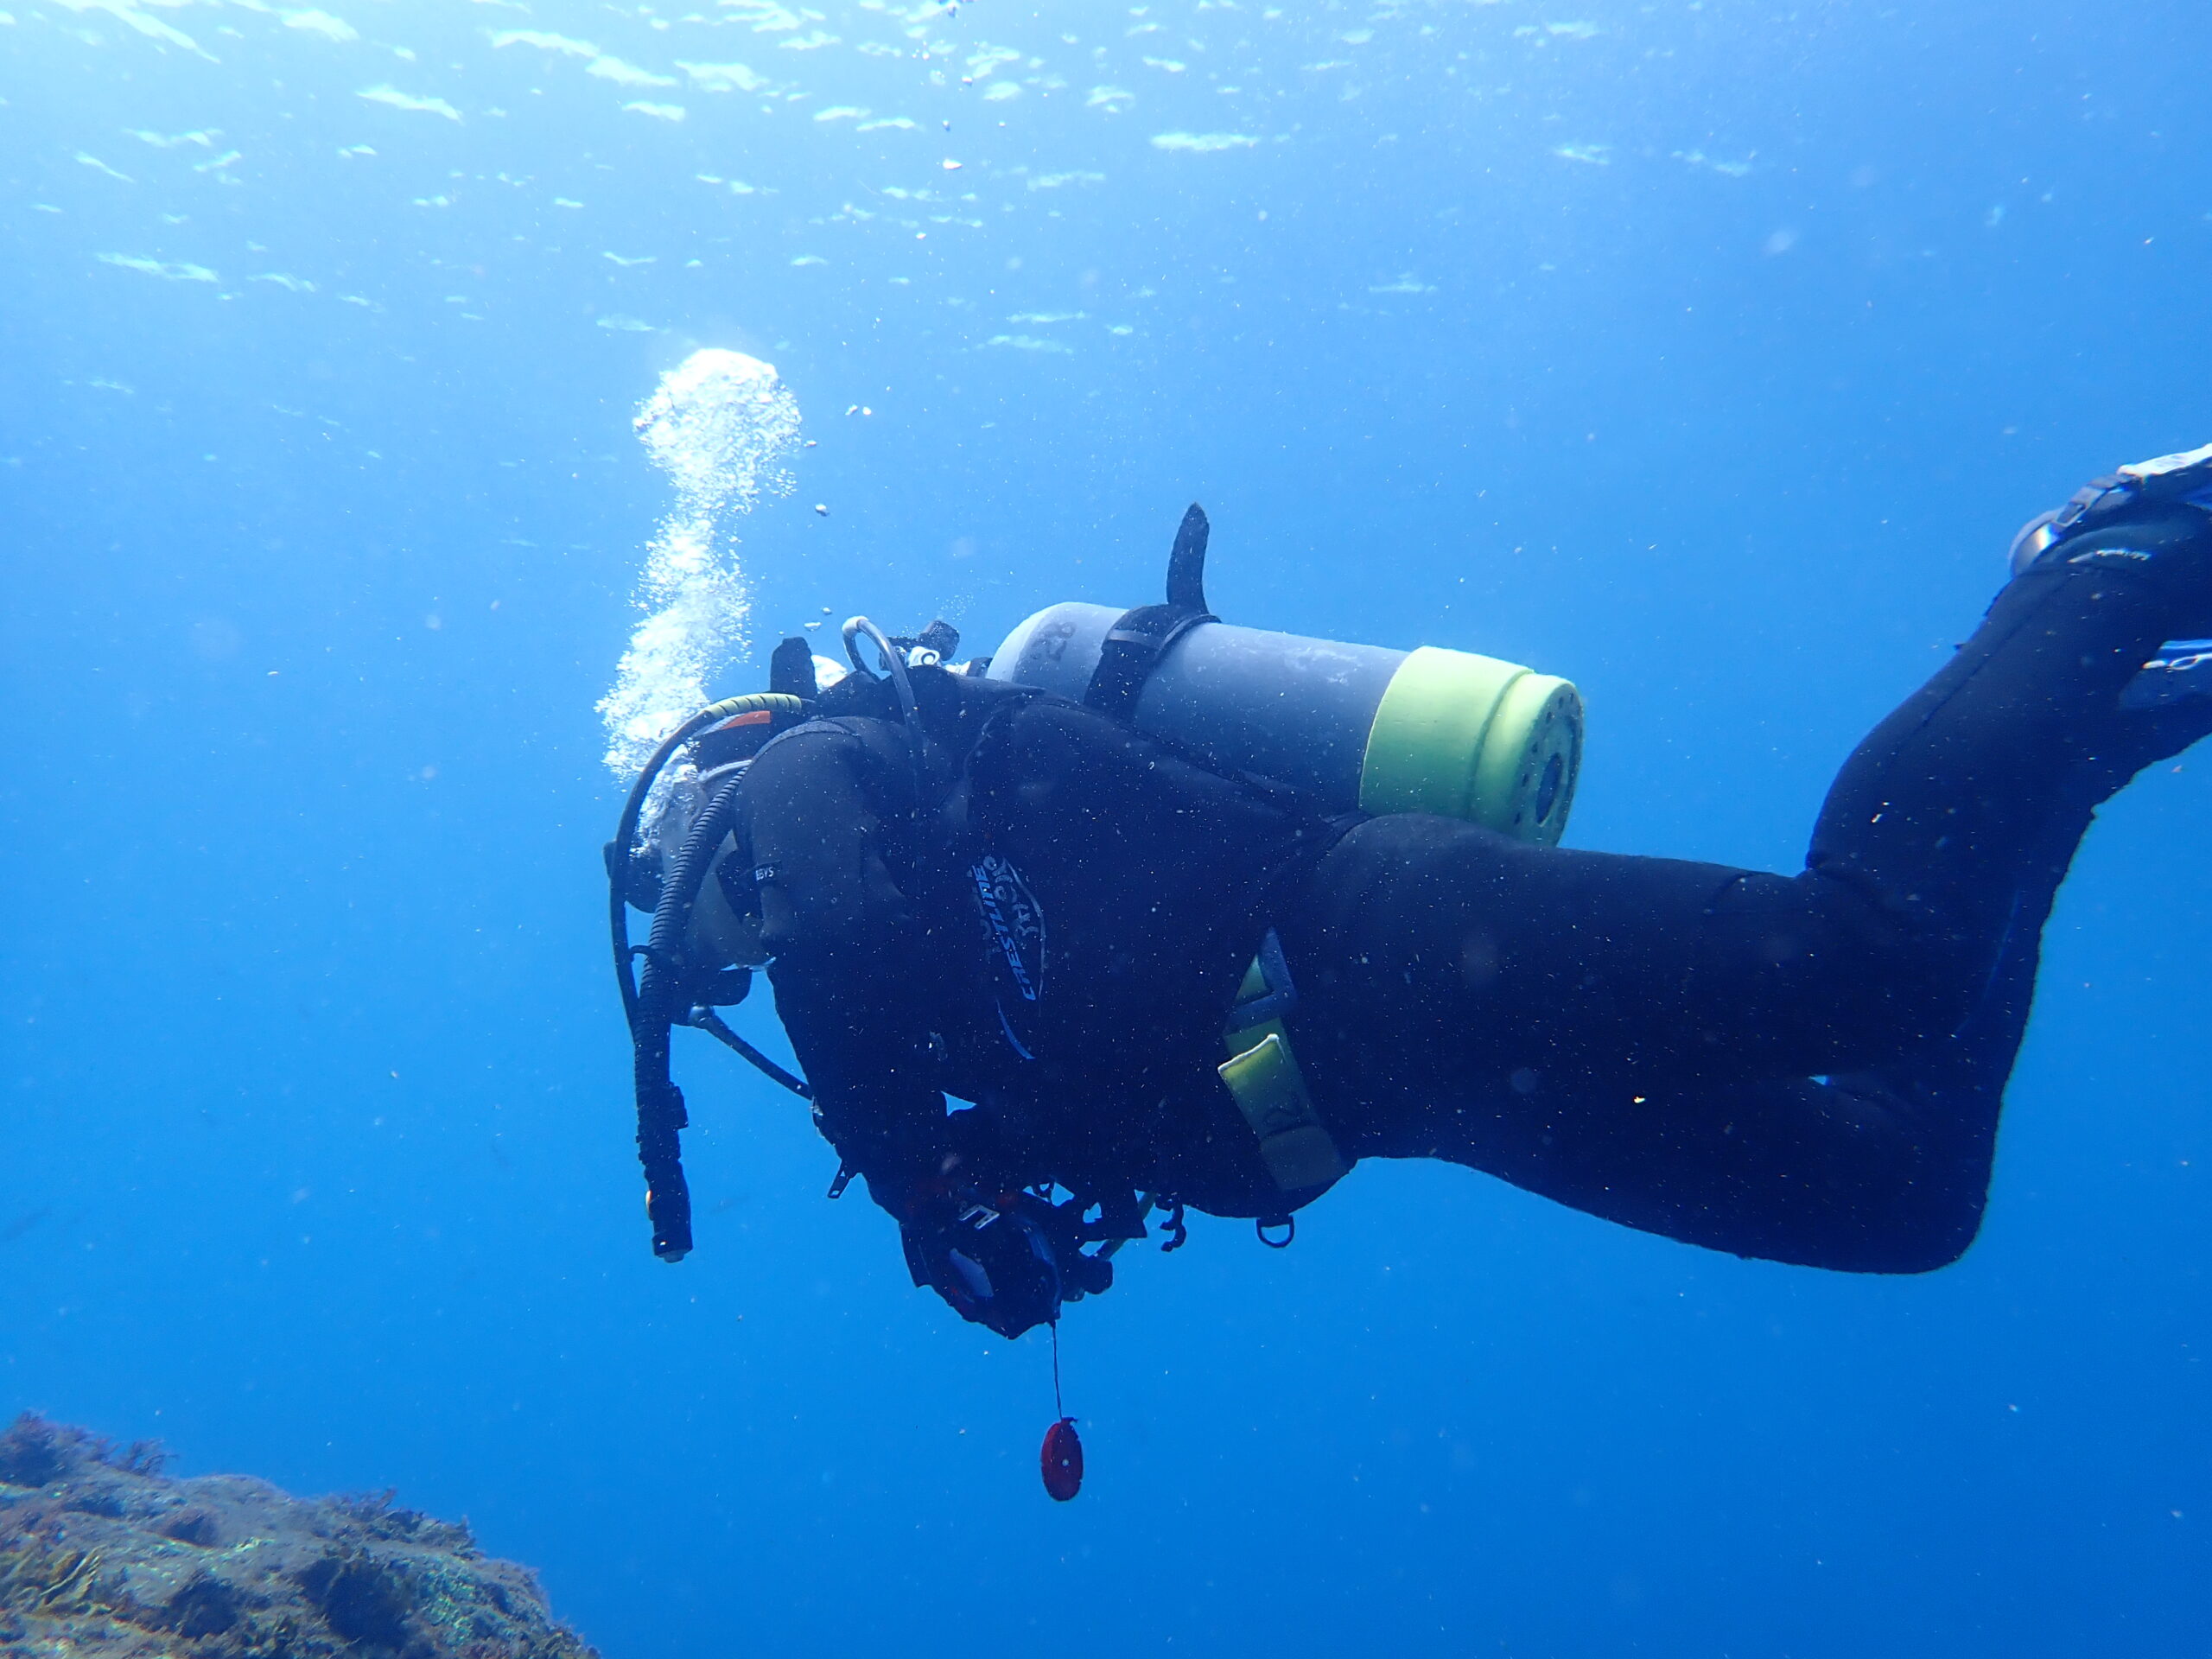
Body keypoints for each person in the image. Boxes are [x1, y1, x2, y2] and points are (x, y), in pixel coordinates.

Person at [616, 444, 2212, 1340]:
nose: (710, 950)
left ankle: (2107, 558)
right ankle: (2061, 751)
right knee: (1902, 1194)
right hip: (1406, 1092)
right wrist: (985, 1188)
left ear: (704, 795)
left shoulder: (812, 773)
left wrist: (924, 1186)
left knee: (1873, 963)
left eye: (678, 888)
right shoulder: (915, 956)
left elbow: (834, 924)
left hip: (1378, 940)